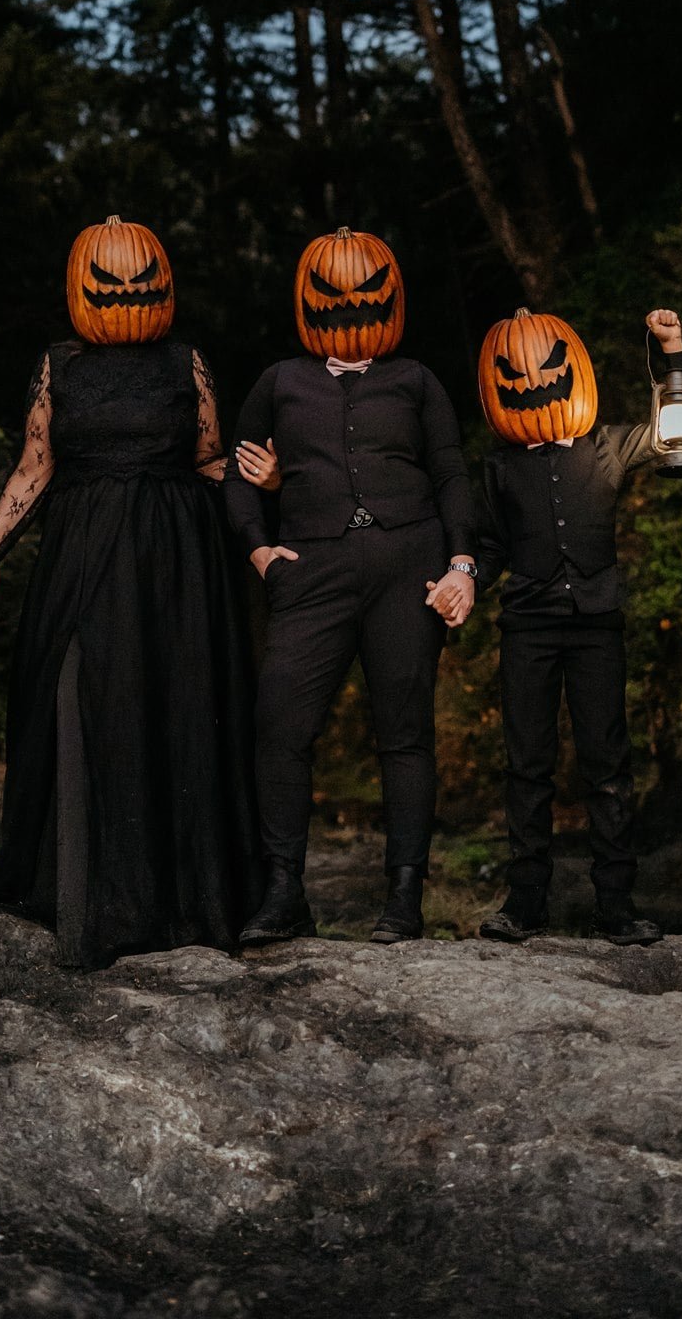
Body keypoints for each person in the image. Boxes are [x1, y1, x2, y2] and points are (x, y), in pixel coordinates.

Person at [0, 214, 269, 970]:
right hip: (84, 550)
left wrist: (263, 498)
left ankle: (178, 901)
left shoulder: (186, 364)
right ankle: (87, 900)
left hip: (176, 561)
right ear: (81, 288)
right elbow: (34, 467)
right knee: (81, 698)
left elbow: (211, 459)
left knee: (172, 707)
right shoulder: (60, 365)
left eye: (138, 281)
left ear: (162, 285)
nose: (124, 294)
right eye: (106, 283)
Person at [224, 226, 476, 948]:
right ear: (308, 300)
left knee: (403, 732)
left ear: (389, 298)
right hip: (312, 570)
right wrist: (261, 551)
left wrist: (462, 566)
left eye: (367, 294)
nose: (350, 306)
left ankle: (403, 896)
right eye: (333, 295)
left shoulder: (415, 380)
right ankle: (283, 890)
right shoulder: (280, 382)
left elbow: (453, 474)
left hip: (409, 564)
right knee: (280, 722)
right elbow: (237, 481)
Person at [474, 305, 682, 948]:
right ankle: (525, 903)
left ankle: (617, 906)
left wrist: (672, 347)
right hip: (528, 628)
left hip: (599, 624)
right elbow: (488, 549)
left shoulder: (610, 445)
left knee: (606, 765)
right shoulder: (497, 468)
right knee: (528, 766)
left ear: (573, 370)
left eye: (549, 367)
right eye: (515, 373)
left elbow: (674, 423)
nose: (535, 381)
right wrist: (464, 580)